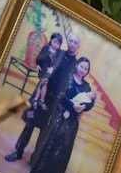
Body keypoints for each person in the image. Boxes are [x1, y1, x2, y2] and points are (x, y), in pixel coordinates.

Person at [6, 33, 80, 163]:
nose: (72, 44)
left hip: (55, 101)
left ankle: (34, 159)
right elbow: (44, 63)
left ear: (78, 46)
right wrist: (40, 69)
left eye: (75, 42)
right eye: (71, 41)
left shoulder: (76, 64)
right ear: (67, 42)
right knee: (29, 124)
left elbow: (72, 84)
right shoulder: (59, 53)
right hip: (42, 93)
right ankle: (18, 152)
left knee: (44, 132)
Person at [27, 57, 96, 173]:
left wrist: (84, 107)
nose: (83, 70)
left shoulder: (87, 86)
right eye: (82, 67)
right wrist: (72, 106)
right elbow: (60, 95)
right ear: (76, 65)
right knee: (50, 145)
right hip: (60, 116)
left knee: (63, 150)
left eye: (86, 68)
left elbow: (90, 103)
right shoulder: (68, 78)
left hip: (72, 122)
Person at [28, 32, 63, 116]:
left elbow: (56, 64)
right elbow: (39, 57)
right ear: (51, 40)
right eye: (54, 42)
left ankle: (37, 99)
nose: (55, 44)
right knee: (44, 83)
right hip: (43, 69)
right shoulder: (46, 48)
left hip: (50, 72)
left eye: (58, 43)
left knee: (44, 82)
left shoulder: (58, 53)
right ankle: (41, 100)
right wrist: (37, 65)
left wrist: (52, 68)